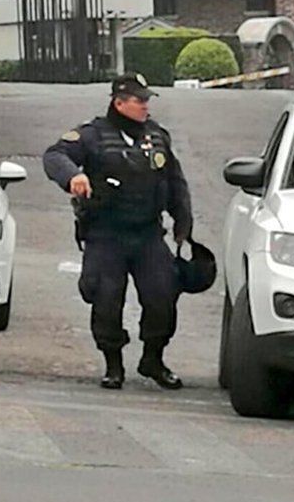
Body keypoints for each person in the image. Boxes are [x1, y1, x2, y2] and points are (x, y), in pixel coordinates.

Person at [43, 73, 193, 391]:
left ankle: (153, 358)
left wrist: (183, 220)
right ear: (119, 102)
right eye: (140, 101)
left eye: (147, 100)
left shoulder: (157, 136)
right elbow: (55, 156)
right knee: (106, 299)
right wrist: (72, 177)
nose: (145, 107)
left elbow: (174, 179)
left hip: (147, 234)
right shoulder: (93, 135)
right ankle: (113, 364)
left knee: (162, 296)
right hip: (106, 234)